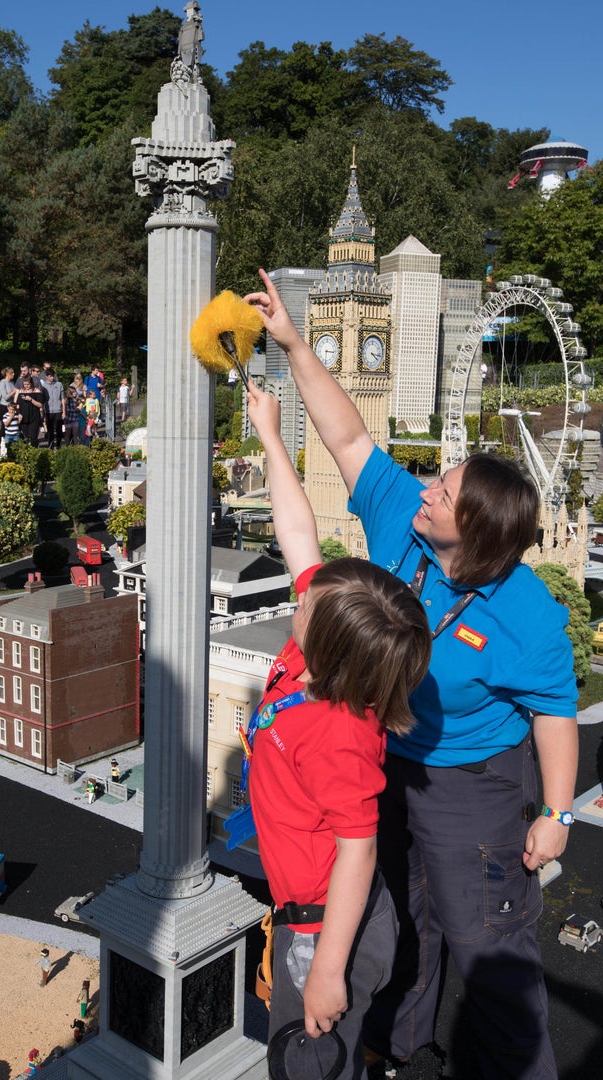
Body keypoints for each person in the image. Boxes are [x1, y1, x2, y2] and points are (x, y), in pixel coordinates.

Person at [245, 269, 578, 1080]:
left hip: (471, 772)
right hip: (378, 754)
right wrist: (291, 345)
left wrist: (557, 813)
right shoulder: (404, 519)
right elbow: (349, 439)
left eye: (446, 493)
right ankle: (402, 1053)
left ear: (478, 539)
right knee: (402, 917)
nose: (426, 488)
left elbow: (557, 711)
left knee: (481, 934)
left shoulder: (527, 617)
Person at [243, 382, 431, 1079]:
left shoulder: (340, 732)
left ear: (330, 647)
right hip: (310, 915)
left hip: (325, 930)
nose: (301, 589)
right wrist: (269, 432)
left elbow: (358, 853)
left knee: (312, 1063)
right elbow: (299, 532)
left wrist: (326, 970)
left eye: (309, 601)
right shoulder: (315, 661)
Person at [17, 377, 46, 446]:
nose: (26, 386)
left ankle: (35, 449)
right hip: (24, 417)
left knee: (33, 436)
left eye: (28, 384)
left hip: (34, 416)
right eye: (24, 384)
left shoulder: (37, 391)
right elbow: (18, 405)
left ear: (31, 383)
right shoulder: (21, 391)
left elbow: (40, 405)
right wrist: (18, 414)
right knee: (26, 436)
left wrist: (31, 400)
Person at [44, 369, 64, 450]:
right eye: (50, 376)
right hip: (48, 411)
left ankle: (59, 446)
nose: (52, 378)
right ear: (46, 377)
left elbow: (62, 398)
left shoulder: (59, 384)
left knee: (59, 430)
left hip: (58, 410)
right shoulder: (43, 386)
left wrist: (64, 411)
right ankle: (51, 447)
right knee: (50, 431)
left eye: (52, 376)